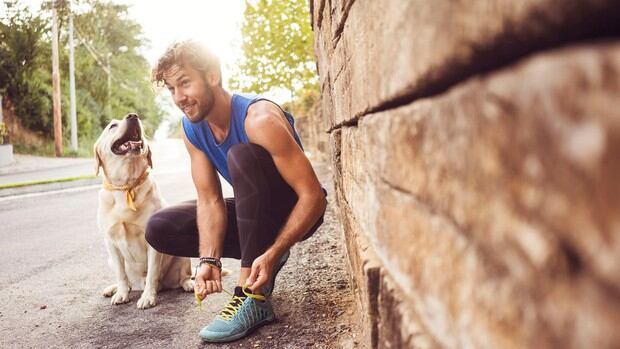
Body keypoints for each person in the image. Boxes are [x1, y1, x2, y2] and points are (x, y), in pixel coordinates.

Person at [145, 40, 327, 343]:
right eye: (171, 89)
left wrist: (274, 251)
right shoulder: (192, 128)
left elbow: (314, 198)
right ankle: (259, 258)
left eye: (185, 83)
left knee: (241, 156)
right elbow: (210, 200)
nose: (179, 97)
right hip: (254, 212)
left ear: (212, 75)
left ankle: (251, 296)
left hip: (295, 211)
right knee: (160, 228)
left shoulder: (259, 119)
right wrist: (209, 260)